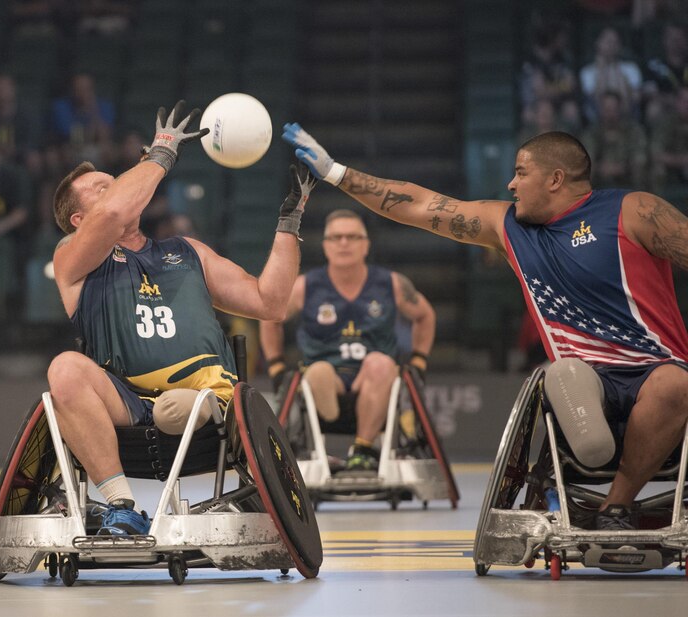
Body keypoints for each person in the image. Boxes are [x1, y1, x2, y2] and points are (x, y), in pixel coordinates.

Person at [283, 124, 688, 530]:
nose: (511, 184)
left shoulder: (633, 211)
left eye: (521, 172)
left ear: (555, 179)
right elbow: (420, 205)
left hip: (657, 373)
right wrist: (336, 172)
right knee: (565, 379)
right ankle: (591, 471)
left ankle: (614, 507)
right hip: (583, 380)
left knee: (674, 383)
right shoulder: (508, 226)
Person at [47, 100, 316, 535]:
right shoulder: (72, 259)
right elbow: (112, 213)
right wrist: (162, 154)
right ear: (79, 220)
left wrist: (290, 221)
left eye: (118, 182)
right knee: (64, 368)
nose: (119, 189)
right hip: (131, 404)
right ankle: (120, 506)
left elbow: (272, 303)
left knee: (179, 408)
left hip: (211, 396)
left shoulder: (187, 251)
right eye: (103, 187)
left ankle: (202, 407)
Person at [259, 209, 436, 474]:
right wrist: (275, 367)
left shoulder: (393, 284)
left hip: (375, 383)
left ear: (366, 245)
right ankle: (326, 448)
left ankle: (363, 449)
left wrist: (419, 361)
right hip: (324, 387)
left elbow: (425, 315)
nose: (344, 243)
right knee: (319, 371)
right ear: (325, 245)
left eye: (352, 237)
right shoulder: (305, 286)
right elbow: (269, 317)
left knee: (380, 364)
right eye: (336, 237)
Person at [579, 90, 648, 188]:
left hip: (627, 176)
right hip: (598, 179)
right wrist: (600, 168)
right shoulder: (591, 132)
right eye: (606, 109)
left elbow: (639, 155)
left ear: (620, 108)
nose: (610, 113)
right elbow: (587, 158)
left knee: (641, 169)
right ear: (600, 109)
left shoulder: (633, 130)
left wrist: (621, 168)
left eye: (613, 109)